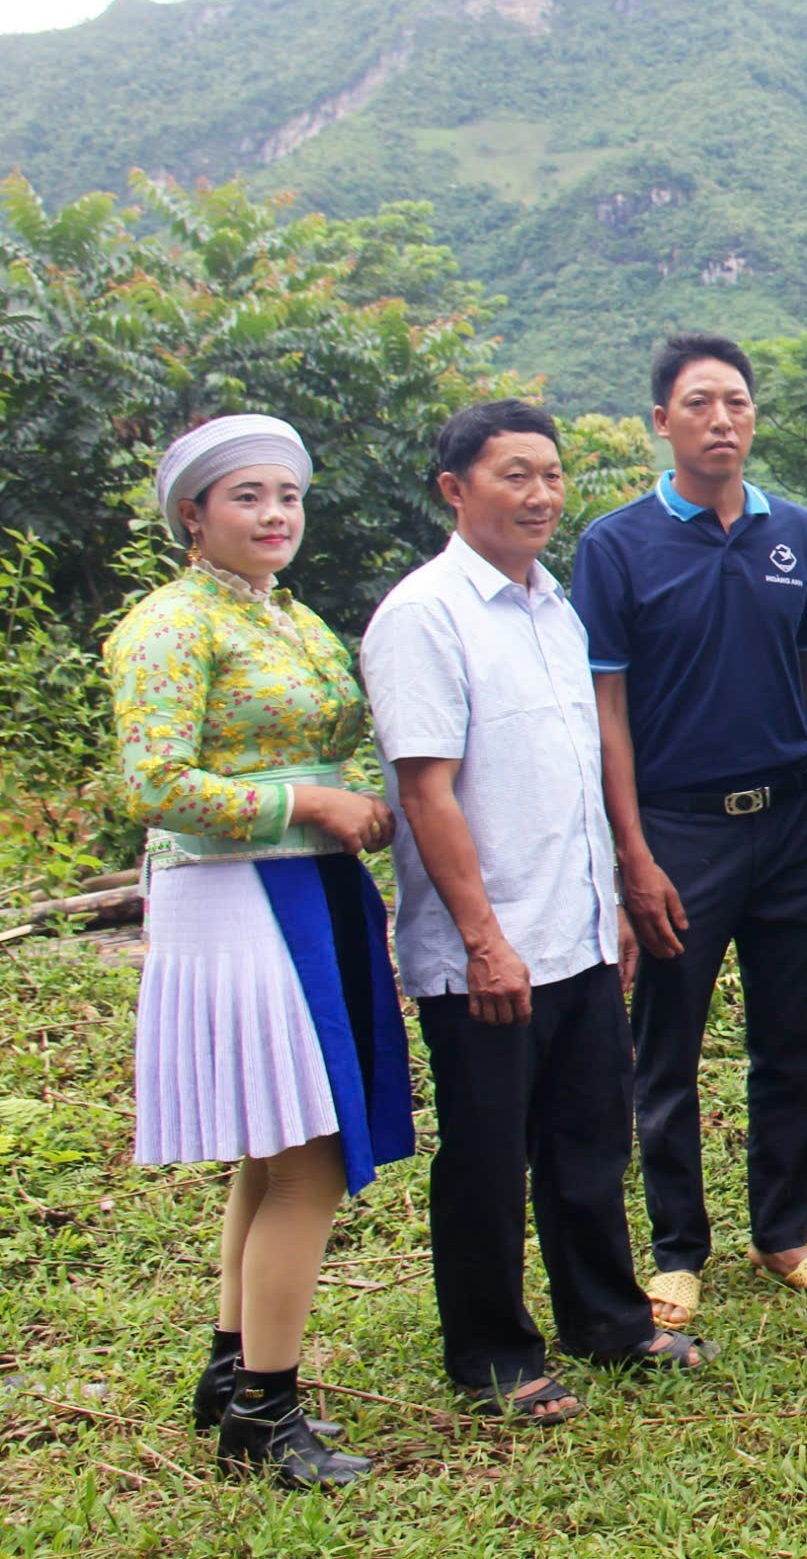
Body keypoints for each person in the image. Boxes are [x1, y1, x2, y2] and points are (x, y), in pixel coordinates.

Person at [363, 400, 713, 1425]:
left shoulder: (556, 607)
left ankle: (606, 1317)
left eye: (551, 475)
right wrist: (482, 940)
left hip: (574, 934)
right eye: (515, 474)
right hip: (490, 947)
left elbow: (574, 775)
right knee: (485, 1153)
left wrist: (610, 908)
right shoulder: (423, 614)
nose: (541, 494)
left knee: (590, 1138)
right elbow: (428, 791)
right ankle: (490, 1353)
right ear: (454, 489)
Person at [106, 414, 413, 1489]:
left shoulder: (284, 613)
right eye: (247, 496)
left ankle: (231, 1371)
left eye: (286, 494)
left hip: (308, 886)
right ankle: (266, 1415)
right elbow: (153, 783)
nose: (274, 513)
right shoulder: (170, 623)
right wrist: (308, 797)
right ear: (194, 515)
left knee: (270, 1149)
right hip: (240, 895)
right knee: (309, 1153)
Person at [570, 333, 807, 1331]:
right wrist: (631, 853)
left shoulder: (800, 533)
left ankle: (783, 1230)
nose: (721, 419)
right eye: (698, 403)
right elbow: (606, 709)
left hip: (791, 819)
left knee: (794, 1038)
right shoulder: (616, 545)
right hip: (679, 828)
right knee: (668, 1045)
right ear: (663, 421)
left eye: (736, 401)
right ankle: (676, 1247)